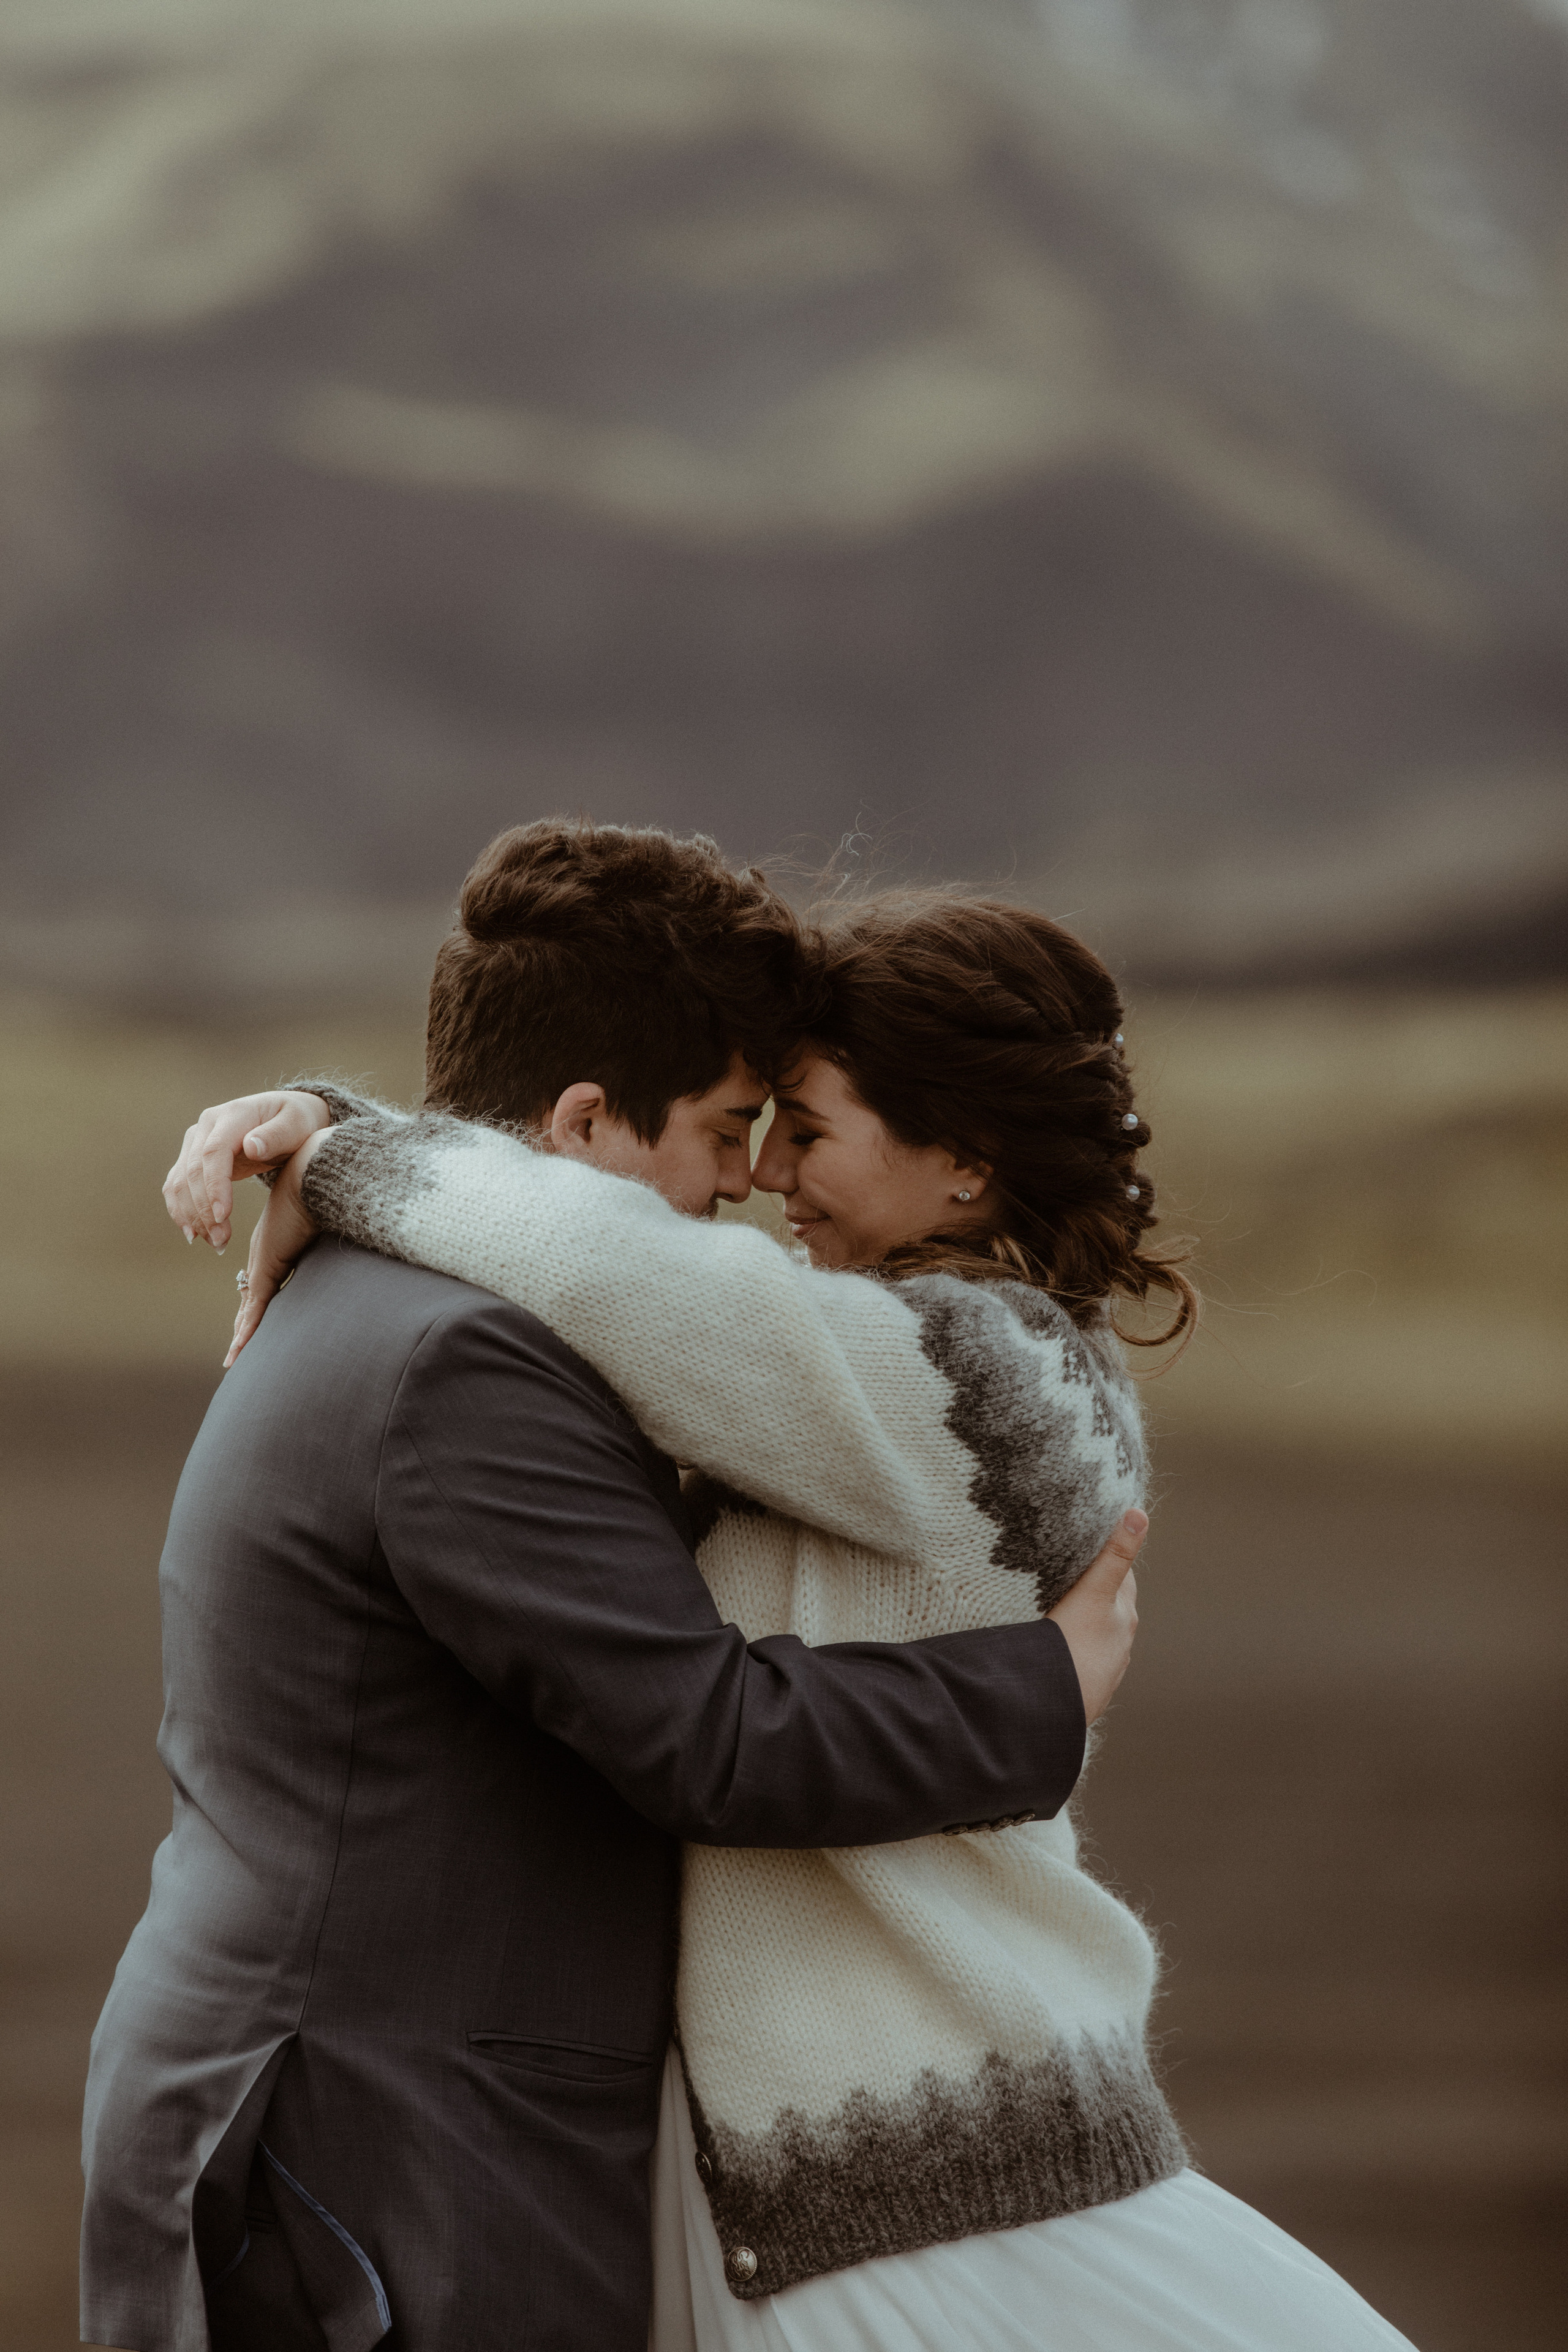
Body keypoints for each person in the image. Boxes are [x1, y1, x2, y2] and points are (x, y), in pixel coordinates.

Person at [175, 828, 1418, 2349]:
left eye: (807, 1131)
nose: (762, 1178)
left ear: (961, 1160)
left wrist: (342, 1144)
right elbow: (590, 1238)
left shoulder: (976, 1379)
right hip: (863, 2167)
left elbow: (616, 1268)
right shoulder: (895, 1363)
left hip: (931, 2173)